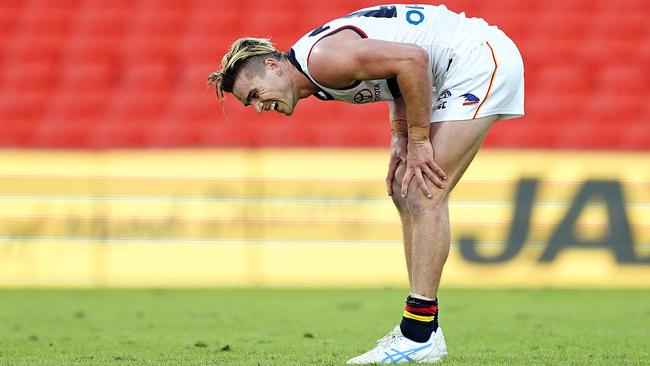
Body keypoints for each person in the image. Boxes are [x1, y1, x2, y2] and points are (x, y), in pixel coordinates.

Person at [208, 4, 524, 364]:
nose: (260, 107)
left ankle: (419, 334)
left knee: (423, 191)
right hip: (460, 65)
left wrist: (420, 141)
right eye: (251, 105)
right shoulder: (315, 73)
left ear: (272, 66)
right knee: (405, 192)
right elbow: (395, 80)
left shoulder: (323, 60)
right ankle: (420, 330)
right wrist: (400, 138)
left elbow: (412, 61)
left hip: (477, 60)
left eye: (255, 95)